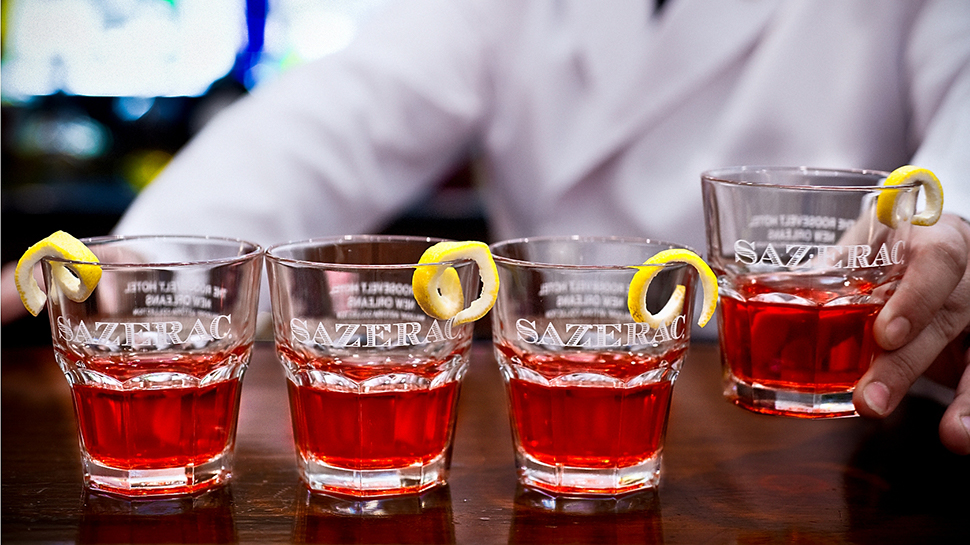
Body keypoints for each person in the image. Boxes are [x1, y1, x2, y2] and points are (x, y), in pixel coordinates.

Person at [4, 0, 970, 453]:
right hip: (542, 431)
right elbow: (344, 111)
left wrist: (957, 226)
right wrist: (146, 265)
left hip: (849, 420)